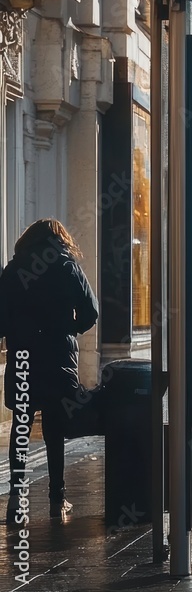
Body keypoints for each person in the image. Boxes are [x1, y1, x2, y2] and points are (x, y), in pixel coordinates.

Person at [1, 219, 99, 522]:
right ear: (60, 239)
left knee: (21, 426)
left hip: (23, 356)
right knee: (54, 429)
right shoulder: (67, 266)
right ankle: (58, 498)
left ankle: (16, 497)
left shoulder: (13, 270)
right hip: (57, 356)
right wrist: (67, 330)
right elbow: (91, 312)